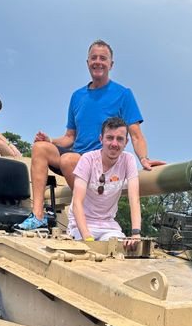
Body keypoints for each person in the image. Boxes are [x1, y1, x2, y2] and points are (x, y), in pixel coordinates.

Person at [16, 40, 163, 231]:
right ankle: (38, 215)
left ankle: (88, 213)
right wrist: (50, 140)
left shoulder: (123, 94)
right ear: (87, 63)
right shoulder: (77, 96)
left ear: (111, 64)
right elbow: (70, 137)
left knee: (69, 160)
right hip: (77, 158)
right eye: (94, 58)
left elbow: (135, 134)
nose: (98, 62)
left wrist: (144, 159)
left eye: (103, 58)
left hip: (102, 163)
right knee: (40, 148)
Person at [68, 117, 141, 242]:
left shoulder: (128, 160)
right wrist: (87, 237)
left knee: (118, 249)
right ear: (101, 139)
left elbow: (134, 199)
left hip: (108, 225)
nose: (114, 143)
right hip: (82, 224)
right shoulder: (88, 159)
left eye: (119, 139)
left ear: (126, 142)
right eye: (109, 138)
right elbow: (77, 202)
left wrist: (136, 233)